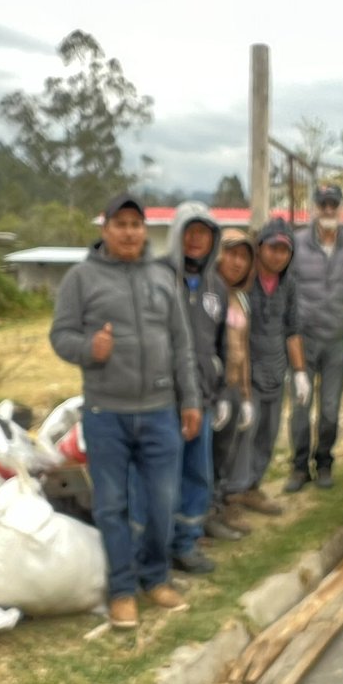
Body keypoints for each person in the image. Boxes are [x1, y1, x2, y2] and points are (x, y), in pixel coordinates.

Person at [50, 193, 201, 629]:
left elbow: (181, 344)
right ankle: (122, 590)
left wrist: (190, 400)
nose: (130, 232)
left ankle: (155, 577)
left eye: (136, 224)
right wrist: (89, 349)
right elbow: (60, 336)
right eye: (121, 224)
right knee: (112, 506)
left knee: (161, 502)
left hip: (159, 412)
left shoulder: (161, 277)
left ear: (144, 230)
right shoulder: (81, 279)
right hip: (106, 412)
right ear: (105, 230)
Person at [160, 201, 226, 574]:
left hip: (202, 398)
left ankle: (186, 544)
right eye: (190, 230)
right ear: (177, 234)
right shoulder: (157, 277)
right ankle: (159, 546)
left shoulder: (217, 286)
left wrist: (222, 390)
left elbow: (222, 345)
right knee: (161, 477)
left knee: (197, 473)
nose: (196, 239)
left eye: (204, 232)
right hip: (163, 399)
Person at [225, 217, 308, 516]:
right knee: (242, 434)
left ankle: (251, 487)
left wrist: (299, 373)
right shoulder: (244, 283)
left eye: (284, 251)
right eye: (273, 248)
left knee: (268, 434)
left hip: (276, 370)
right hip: (247, 373)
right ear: (259, 249)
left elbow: (293, 328)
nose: (278, 255)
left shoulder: (288, 285)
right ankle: (231, 493)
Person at [285, 185, 343, 493]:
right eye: (323, 204)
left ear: (341, 207)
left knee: (330, 409)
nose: (329, 209)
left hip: (336, 343)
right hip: (302, 342)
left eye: (334, 204)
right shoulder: (296, 244)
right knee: (301, 408)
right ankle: (300, 466)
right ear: (314, 207)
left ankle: (325, 461)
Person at [209, 228, 258, 540]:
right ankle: (206, 515)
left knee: (225, 454)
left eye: (243, 256)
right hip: (212, 390)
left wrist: (246, 395)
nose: (237, 262)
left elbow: (243, 350)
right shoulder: (209, 294)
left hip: (234, 389)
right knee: (208, 457)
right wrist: (216, 393)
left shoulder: (240, 298)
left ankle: (221, 508)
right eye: (231, 253)